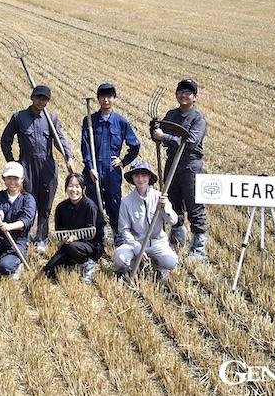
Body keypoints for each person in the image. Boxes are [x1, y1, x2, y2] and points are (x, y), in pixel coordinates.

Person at [1, 84, 75, 255]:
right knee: (28, 202)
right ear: (32, 97)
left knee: (45, 203)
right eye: (38, 97)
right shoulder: (19, 117)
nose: (41, 101)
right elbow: (5, 140)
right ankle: (25, 236)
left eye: (45, 99)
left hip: (47, 166)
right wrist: (13, 164)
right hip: (26, 166)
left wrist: (69, 156)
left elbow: (60, 139)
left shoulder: (51, 118)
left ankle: (41, 237)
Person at [153, 77, 208, 260]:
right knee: (173, 202)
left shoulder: (197, 119)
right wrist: (154, 131)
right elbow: (159, 137)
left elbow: (190, 142)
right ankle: (176, 241)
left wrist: (165, 137)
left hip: (190, 166)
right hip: (172, 164)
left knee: (194, 205)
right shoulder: (171, 115)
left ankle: (198, 248)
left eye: (188, 92)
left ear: (195, 97)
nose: (183, 95)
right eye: (180, 91)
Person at [81, 82, 141, 247]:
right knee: (93, 202)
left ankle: (118, 233)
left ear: (114, 99)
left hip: (112, 170)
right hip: (93, 169)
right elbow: (85, 146)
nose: (106, 99)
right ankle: (98, 234)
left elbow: (135, 145)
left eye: (109, 96)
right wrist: (90, 167)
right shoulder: (89, 120)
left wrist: (123, 161)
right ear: (98, 99)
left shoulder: (121, 122)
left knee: (114, 202)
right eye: (103, 96)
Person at [112, 158, 178, 279]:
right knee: (120, 259)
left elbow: (173, 221)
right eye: (136, 175)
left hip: (157, 243)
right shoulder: (126, 202)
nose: (140, 179)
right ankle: (132, 265)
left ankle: (158, 266)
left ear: (149, 177)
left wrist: (164, 208)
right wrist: (137, 247)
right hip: (135, 243)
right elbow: (124, 230)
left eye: (144, 175)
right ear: (132, 178)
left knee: (170, 262)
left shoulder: (160, 197)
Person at [43, 173, 104, 283]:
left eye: (77, 186)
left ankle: (88, 263)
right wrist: (63, 240)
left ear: (83, 189)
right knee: (48, 271)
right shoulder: (61, 207)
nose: (73, 190)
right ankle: (73, 262)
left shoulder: (90, 206)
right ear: (66, 188)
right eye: (70, 186)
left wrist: (75, 238)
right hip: (68, 244)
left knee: (73, 247)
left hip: (90, 245)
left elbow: (93, 233)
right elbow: (60, 232)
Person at [0, 161, 36, 281]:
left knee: (4, 267)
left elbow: (25, 221)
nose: (12, 182)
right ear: (4, 179)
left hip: (17, 241)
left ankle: (16, 264)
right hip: (0, 237)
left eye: (15, 178)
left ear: (22, 179)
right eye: (8, 178)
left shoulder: (28, 199)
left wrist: (9, 226)